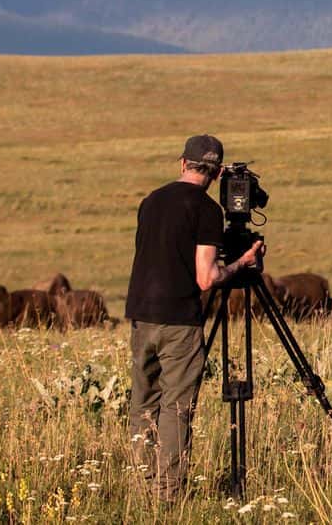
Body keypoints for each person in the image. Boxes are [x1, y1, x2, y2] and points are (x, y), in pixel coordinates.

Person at [126, 134, 262, 502]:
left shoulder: (150, 201)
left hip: (141, 315)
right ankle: (167, 495)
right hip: (179, 320)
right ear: (217, 174)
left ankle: (141, 488)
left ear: (182, 163)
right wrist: (241, 263)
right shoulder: (205, 210)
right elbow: (207, 278)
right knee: (176, 409)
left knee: (142, 404)